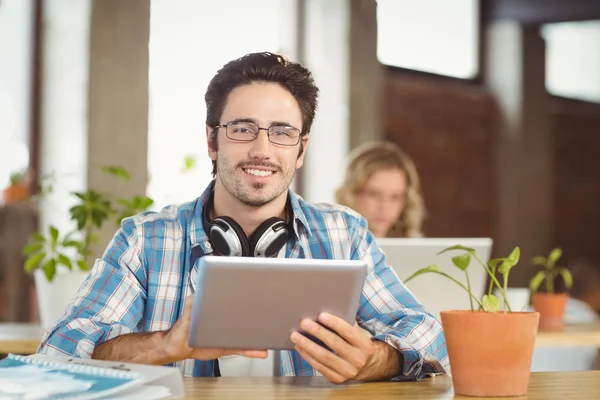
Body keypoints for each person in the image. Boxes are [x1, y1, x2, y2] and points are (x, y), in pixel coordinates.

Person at [37, 52, 448, 383]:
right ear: (212, 140)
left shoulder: (345, 233)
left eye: (282, 132)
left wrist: (377, 359)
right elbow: (57, 354)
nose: (262, 150)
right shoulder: (145, 238)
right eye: (243, 129)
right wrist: (164, 346)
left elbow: (429, 336)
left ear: (301, 149)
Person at [335, 141, 425, 238]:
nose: (384, 207)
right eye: (374, 194)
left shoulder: (417, 246)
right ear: (351, 193)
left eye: (395, 197)